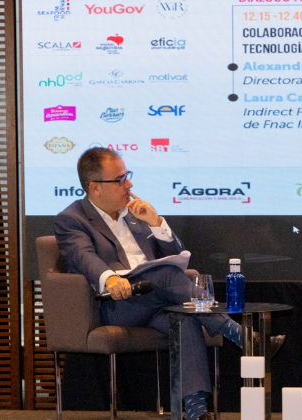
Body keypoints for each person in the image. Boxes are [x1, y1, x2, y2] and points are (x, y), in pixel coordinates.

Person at [54, 147, 243, 420]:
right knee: (165, 275)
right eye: (120, 179)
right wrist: (111, 278)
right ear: (95, 187)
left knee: (185, 318)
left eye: (127, 175)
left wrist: (156, 223)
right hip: (117, 304)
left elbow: (178, 259)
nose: (129, 184)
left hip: (156, 301)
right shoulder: (72, 219)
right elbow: (83, 257)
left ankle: (194, 410)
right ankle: (236, 332)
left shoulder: (134, 213)